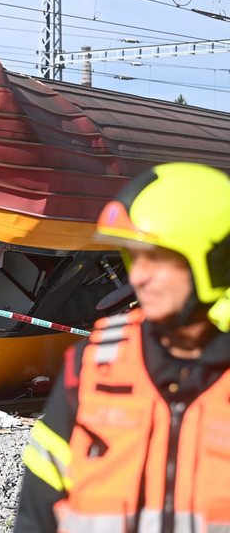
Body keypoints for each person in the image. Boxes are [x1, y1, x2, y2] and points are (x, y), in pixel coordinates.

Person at [16, 162, 230, 533]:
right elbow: (37, 509)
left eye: (158, 258)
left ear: (216, 261)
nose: (139, 276)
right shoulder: (94, 363)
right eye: (135, 257)